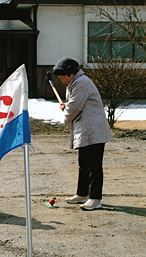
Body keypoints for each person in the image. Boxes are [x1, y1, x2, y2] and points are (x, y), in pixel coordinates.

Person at [53, 56, 113, 210]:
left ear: (71, 73)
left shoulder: (82, 83)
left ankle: (95, 198)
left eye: (63, 77)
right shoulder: (74, 83)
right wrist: (67, 107)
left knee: (94, 165)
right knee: (83, 165)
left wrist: (66, 110)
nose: (62, 80)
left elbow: (74, 107)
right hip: (85, 129)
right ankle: (82, 193)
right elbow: (76, 104)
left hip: (93, 130)